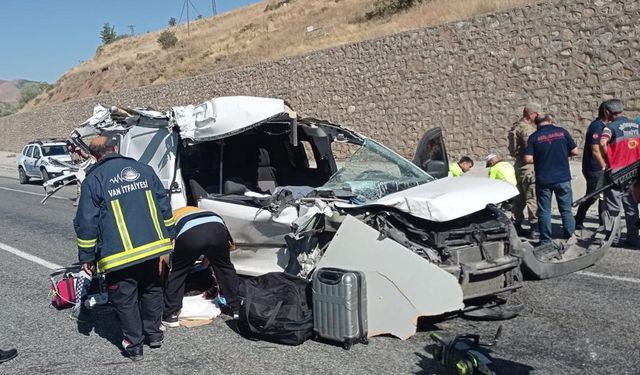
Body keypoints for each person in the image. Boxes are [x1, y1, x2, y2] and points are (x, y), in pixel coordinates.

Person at [74, 132, 175, 361]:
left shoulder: (94, 179)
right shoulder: (144, 170)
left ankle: (134, 344)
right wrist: (171, 234)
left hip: (118, 255)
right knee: (152, 290)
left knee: (125, 298)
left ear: (94, 156)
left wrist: (87, 257)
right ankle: (154, 334)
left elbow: (86, 223)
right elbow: (163, 204)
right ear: (116, 149)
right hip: (152, 248)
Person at [163, 206, 240, 327]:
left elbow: (170, 251)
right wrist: (204, 266)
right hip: (217, 228)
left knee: (178, 272)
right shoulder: (199, 210)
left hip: (190, 233)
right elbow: (212, 251)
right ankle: (236, 308)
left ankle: (171, 315)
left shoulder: (170, 218)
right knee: (225, 268)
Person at [524, 114, 579, 243]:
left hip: (544, 179)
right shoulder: (562, 132)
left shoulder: (534, 137)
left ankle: (545, 240)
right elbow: (575, 151)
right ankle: (570, 236)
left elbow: (527, 159)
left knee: (544, 211)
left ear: (535, 124)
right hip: (563, 177)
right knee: (566, 209)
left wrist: (540, 159)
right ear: (550, 120)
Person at [597, 99, 640, 247]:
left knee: (613, 208)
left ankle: (613, 239)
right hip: (634, 172)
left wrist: (606, 158)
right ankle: (633, 239)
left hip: (616, 172)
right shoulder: (637, 125)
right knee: (631, 206)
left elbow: (602, 142)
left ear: (607, 112)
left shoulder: (610, 127)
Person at [509, 102, 541, 238]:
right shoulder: (528, 130)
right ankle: (535, 228)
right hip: (529, 167)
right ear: (531, 114)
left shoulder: (515, 127)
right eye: (537, 114)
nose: (538, 117)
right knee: (532, 197)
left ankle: (516, 225)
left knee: (519, 198)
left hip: (519, 165)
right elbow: (530, 149)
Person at [574, 102, 607, 230]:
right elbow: (595, 150)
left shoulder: (602, 126)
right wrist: (603, 166)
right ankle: (578, 220)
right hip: (594, 167)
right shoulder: (596, 127)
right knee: (592, 195)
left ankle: (603, 223)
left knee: (602, 195)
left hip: (598, 167)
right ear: (606, 112)